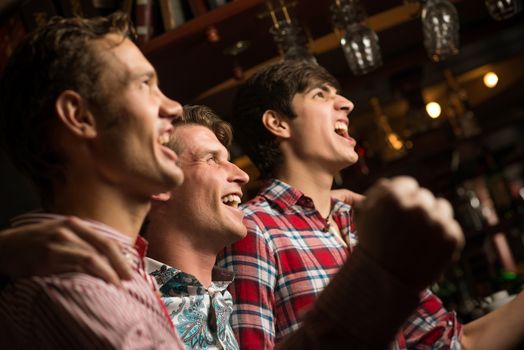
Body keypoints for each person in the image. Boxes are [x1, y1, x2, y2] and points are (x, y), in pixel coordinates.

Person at [0, 103, 465, 349]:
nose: (241, 175)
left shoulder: (236, 301)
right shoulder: (121, 294)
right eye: (213, 160)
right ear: (160, 182)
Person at [217, 60, 524, 349]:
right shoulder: (251, 229)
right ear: (278, 123)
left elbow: (452, 343)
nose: (347, 104)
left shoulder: (364, 224)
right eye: (320, 94)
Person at [0, 13, 186, 348]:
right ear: (79, 116)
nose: (174, 107)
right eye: (144, 85)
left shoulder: (124, 269)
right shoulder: (74, 286)